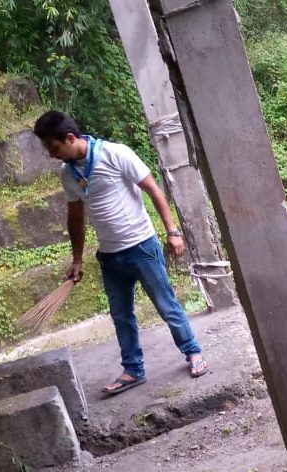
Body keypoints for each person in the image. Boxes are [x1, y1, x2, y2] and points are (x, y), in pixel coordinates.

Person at [33, 110, 208, 396]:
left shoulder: (115, 154)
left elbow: (153, 189)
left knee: (167, 306)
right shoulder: (69, 173)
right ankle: (133, 370)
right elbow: (75, 218)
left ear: (70, 138)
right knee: (121, 315)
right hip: (110, 257)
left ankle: (193, 352)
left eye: (53, 148)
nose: (52, 155)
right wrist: (76, 260)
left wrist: (172, 232)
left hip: (141, 246)